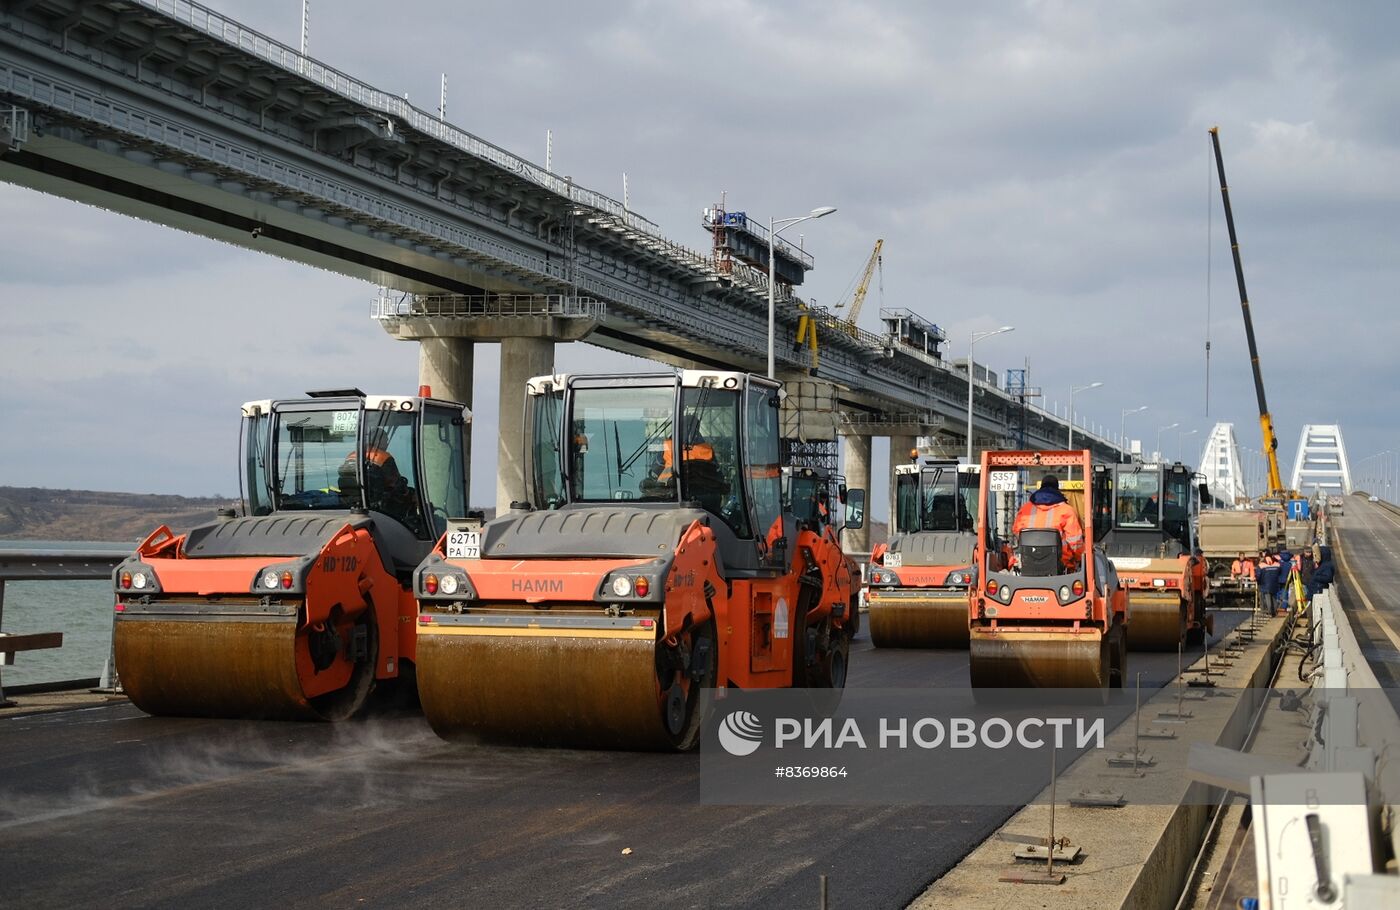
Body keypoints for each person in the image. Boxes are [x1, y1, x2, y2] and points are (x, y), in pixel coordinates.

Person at [1012, 475, 1085, 570]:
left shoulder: (1025, 509)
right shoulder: (1067, 510)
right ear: (1057, 489)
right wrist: (1078, 559)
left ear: (1041, 487)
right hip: (1060, 565)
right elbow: (1075, 543)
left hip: (1027, 563)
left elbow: (1017, 532)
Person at [1257, 549, 1281, 615]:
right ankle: (1275, 611)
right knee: (1274, 597)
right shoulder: (1277, 564)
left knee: (1267, 598)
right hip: (1275, 583)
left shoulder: (1261, 565)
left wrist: (1259, 582)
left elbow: (1258, 575)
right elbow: (1279, 572)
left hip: (1265, 584)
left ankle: (1270, 612)